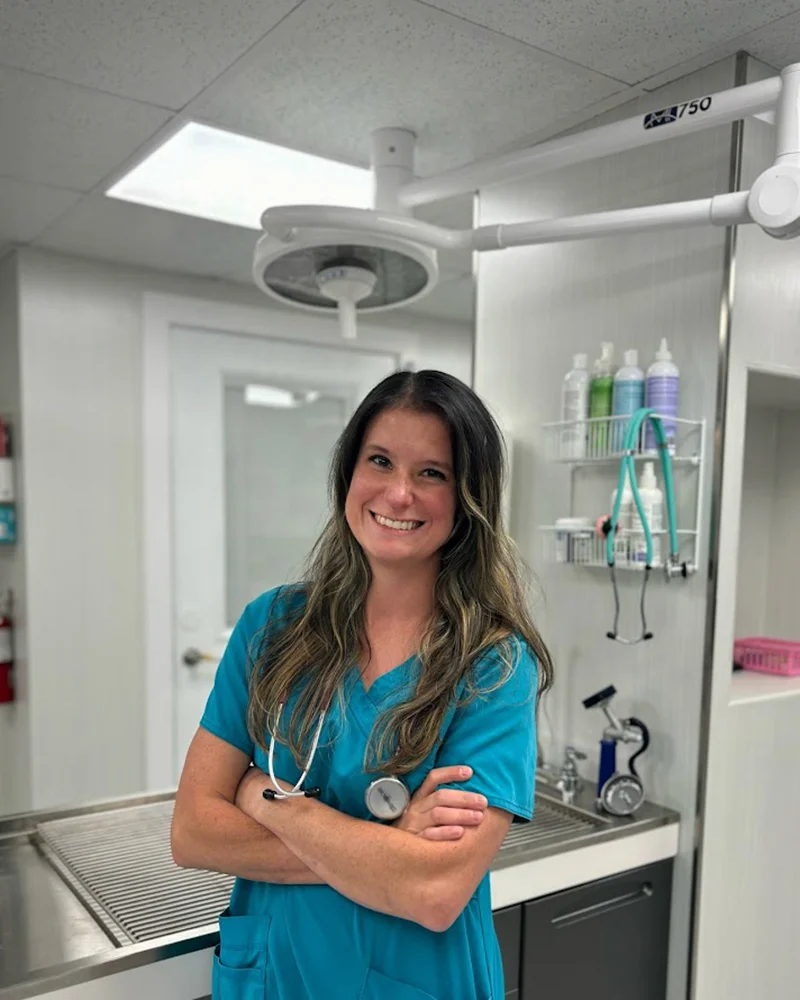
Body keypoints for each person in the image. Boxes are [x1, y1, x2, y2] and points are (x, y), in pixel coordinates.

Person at [171, 369, 554, 999]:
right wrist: (385, 848)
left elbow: (432, 892)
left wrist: (267, 799)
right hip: (275, 974)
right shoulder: (272, 625)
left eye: (432, 472)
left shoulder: (493, 666)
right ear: (349, 474)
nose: (398, 493)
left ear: (468, 498)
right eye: (380, 461)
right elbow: (193, 831)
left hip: (417, 977)